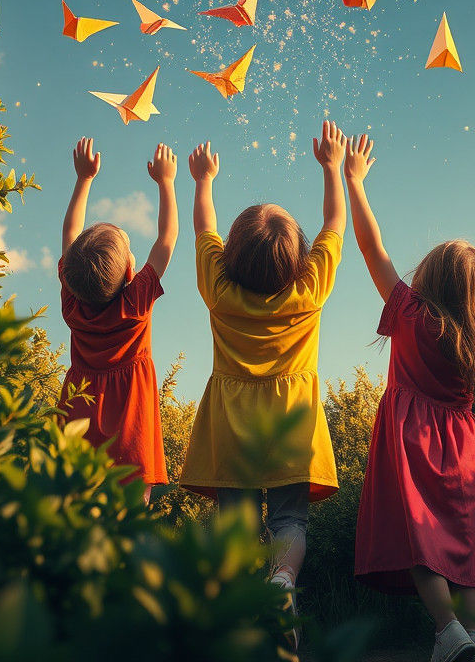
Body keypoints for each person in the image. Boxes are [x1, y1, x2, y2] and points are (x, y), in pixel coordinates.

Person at [345, 134, 475, 662]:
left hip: (414, 439)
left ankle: (448, 632)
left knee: (422, 543)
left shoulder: (411, 315)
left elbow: (372, 249)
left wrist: (354, 181)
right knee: (463, 549)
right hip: (466, 449)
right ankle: (474, 638)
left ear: (429, 280)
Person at [180, 122, 348, 646]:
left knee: (235, 530)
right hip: (292, 426)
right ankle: (282, 582)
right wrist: (334, 168)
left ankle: (236, 626)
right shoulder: (309, 291)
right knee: (290, 521)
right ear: (298, 257)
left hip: (232, 430)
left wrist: (203, 180)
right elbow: (335, 222)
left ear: (232, 254)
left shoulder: (218, 291)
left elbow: (203, 228)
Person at [57, 137, 178, 502]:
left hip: (78, 417)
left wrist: (83, 179)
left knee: (77, 510)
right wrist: (167, 181)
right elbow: (167, 238)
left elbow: (69, 235)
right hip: (130, 427)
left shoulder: (73, 304)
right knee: (130, 518)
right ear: (130, 271)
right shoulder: (135, 304)